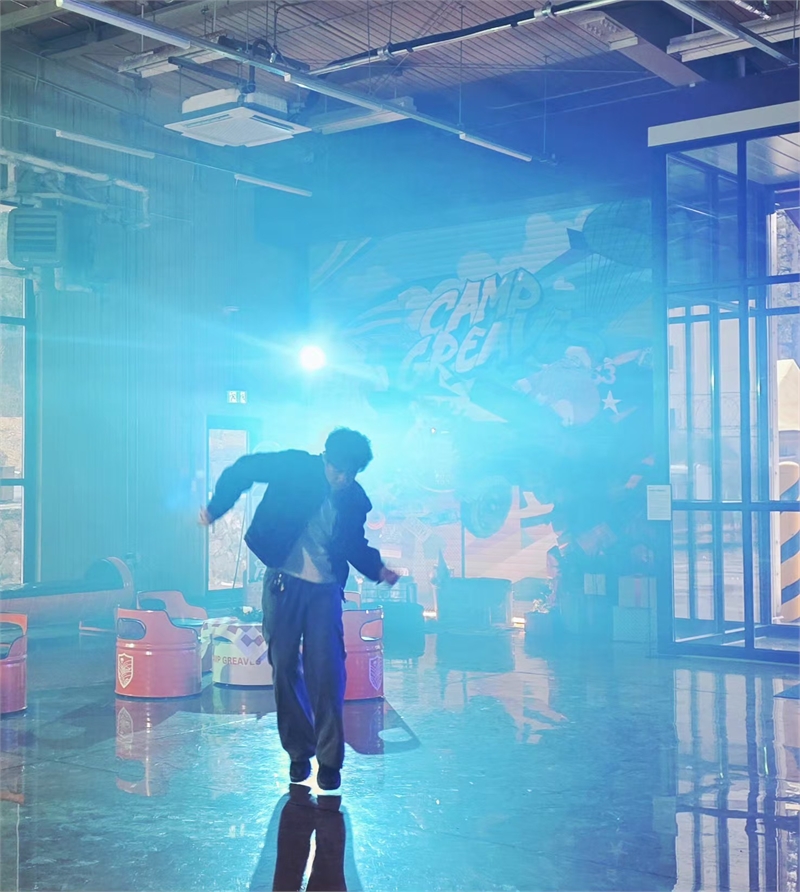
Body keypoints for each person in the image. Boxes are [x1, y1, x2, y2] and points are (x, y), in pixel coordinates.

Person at [199, 428, 398, 792]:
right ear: (325, 458)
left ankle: (330, 760)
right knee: (284, 666)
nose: (344, 478)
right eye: (338, 469)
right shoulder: (294, 467)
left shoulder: (354, 498)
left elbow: (354, 543)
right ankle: (298, 753)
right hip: (283, 583)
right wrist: (217, 506)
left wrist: (378, 569)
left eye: (352, 472)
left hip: (325, 591)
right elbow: (244, 469)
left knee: (328, 671)